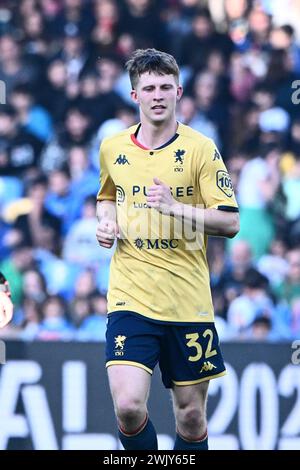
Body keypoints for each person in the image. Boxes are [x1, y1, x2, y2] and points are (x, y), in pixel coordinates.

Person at [96, 48, 239, 451]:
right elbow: (106, 195)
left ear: (178, 91)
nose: (157, 95)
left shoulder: (201, 149)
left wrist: (177, 208)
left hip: (187, 299)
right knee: (127, 405)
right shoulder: (113, 147)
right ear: (134, 95)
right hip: (131, 294)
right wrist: (106, 221)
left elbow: (230, 222)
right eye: (148, 88)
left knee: (191, 418)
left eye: (164, 87)